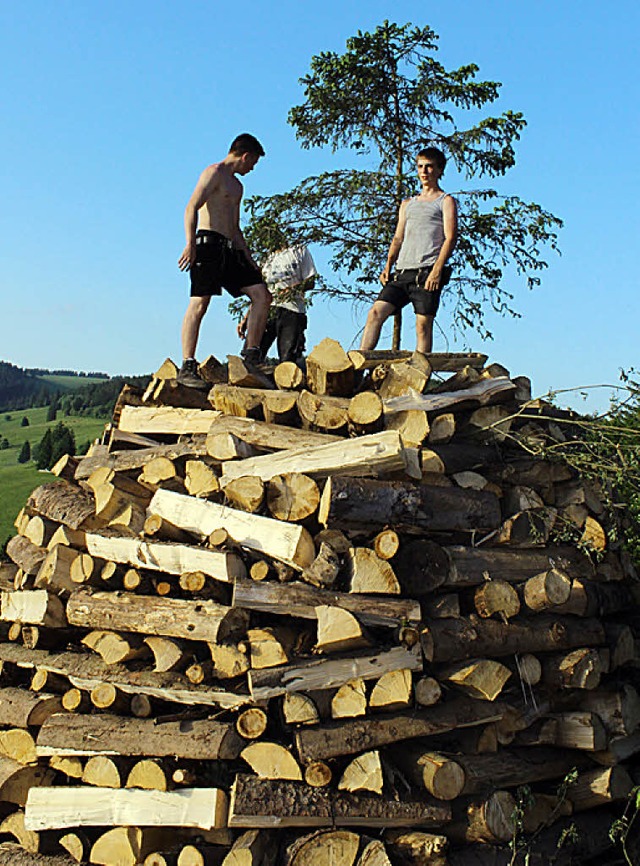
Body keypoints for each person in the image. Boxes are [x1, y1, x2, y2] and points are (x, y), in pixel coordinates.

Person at [177, 133, 271, 389]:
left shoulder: (238, 187)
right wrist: (190, 243)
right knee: (199, 303)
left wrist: (249, 259)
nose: (251, 169)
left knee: (262, 294)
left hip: (230, 249)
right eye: (252, 164)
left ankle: (252, 355)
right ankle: (187, 364)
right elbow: (191, 207)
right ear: (245, 156)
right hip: (207, 245)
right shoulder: (213, 173)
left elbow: (236, 227)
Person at [359, 146, 458, 357]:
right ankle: (360, 362)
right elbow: (398, 237)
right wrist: (387, 265)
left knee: (422, 326)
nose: (424, 172)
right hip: (402, 271)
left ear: (440, 170)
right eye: (420, 166)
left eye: (430, 167)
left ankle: (419, 373)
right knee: (375, 312)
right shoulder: (408, 204)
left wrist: (437, 271)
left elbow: (450, 237)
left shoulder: (445, 201)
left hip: (426, 273)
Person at [238, 240, 317, 363]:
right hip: (267, 311)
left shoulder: (298, 250)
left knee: (288, 360)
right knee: (252, 355)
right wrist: (247, 317)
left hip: (292, 310)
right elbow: (259, 294)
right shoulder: (266, 260)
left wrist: (289, 290)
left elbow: (310, 281)